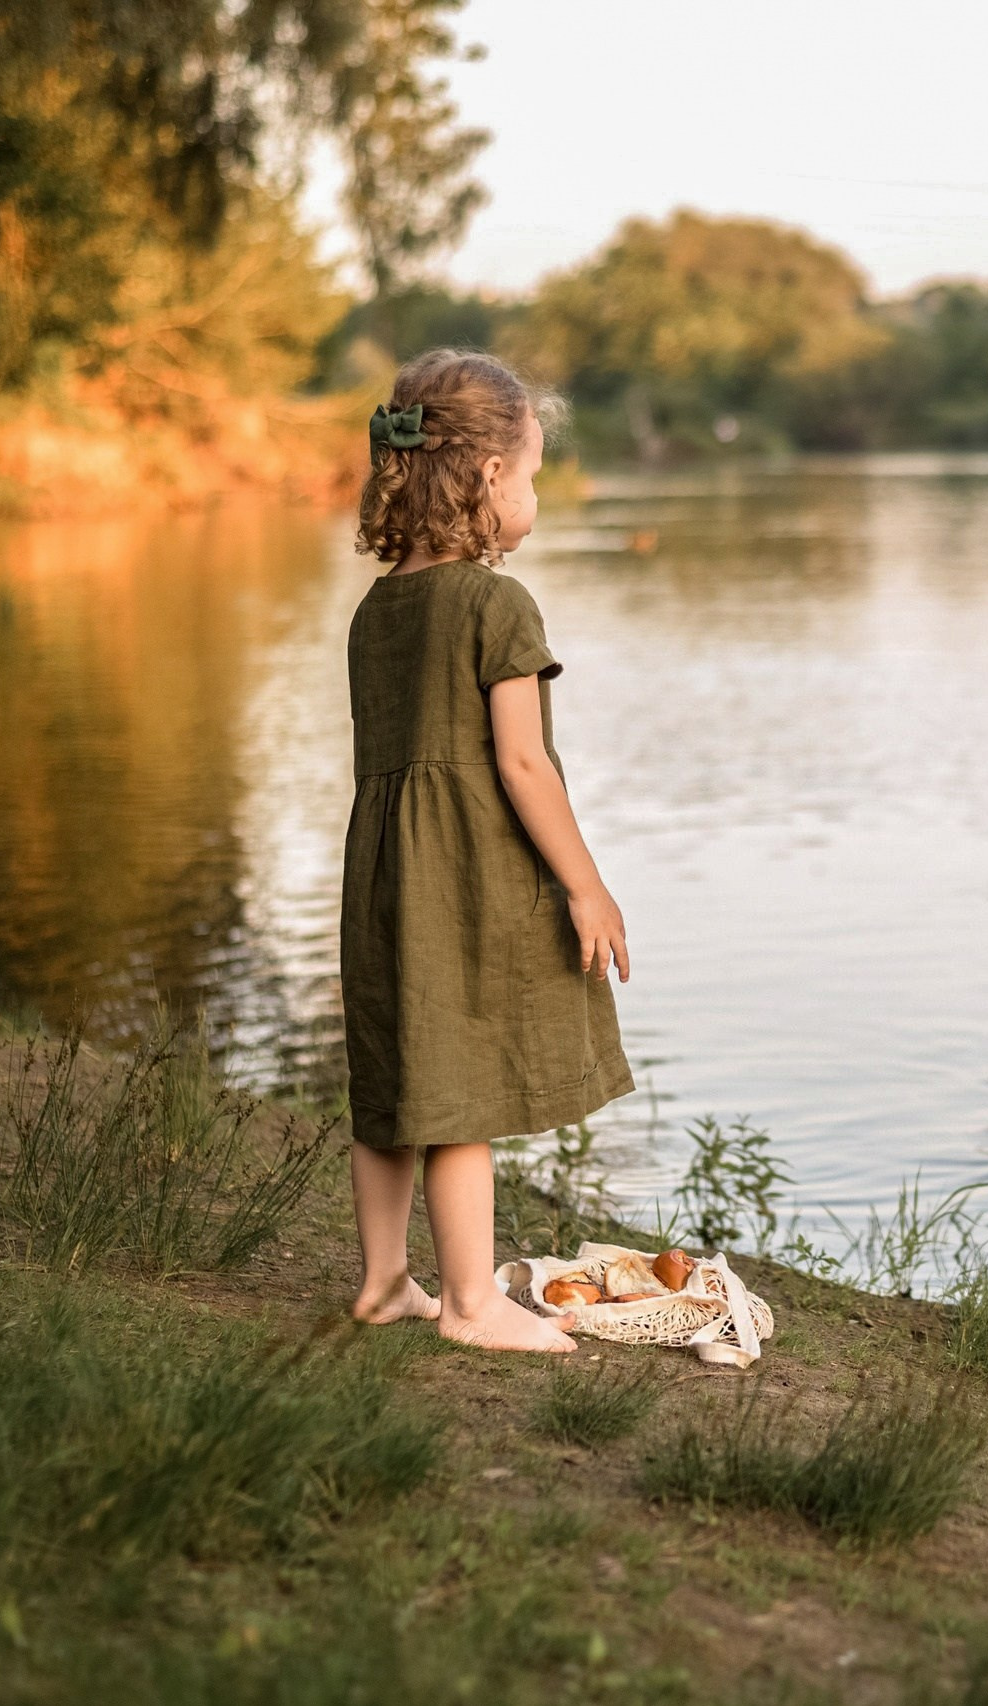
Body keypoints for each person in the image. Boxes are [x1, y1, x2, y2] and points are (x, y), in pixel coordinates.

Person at [341, 349, 633, 1352]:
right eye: (538, 472)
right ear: (491, 476)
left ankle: (385, 1280)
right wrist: (585, 886)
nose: (539, 492)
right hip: (459, 873)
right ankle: (470, 1303)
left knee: (391, 1081)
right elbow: (521, 763)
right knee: (460, 1087)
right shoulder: (494, 605)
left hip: (379, 872)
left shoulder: (377, 607)